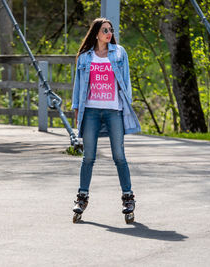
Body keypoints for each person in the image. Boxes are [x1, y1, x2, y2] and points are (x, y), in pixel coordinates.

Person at [71, 18, 141, 223]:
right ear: (96, 33)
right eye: (104, 30)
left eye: (110, 30)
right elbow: (78, 85)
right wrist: (76, 108)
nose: (109, 33)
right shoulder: (85, 57)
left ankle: (128, 198)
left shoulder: (119, 53)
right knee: (89, 157)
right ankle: (81, 197)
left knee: (119, 156)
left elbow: (126, 82)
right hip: (91, 111)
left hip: (113, 111)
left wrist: (127, 105)